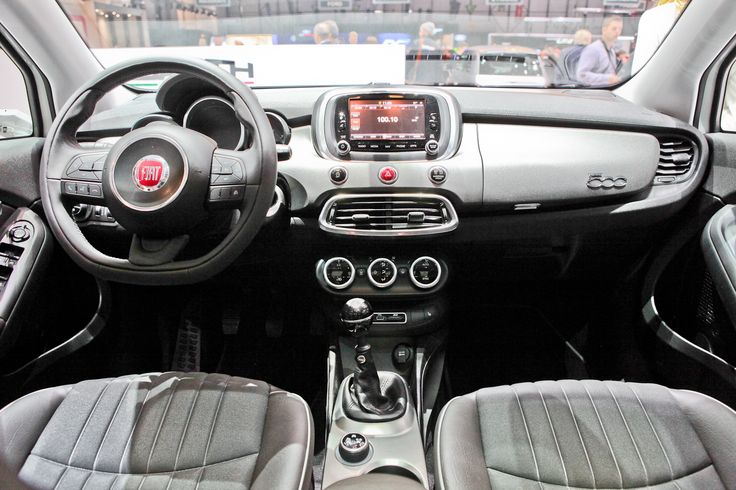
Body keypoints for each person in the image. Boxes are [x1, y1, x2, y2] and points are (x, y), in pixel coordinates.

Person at [576, 16, 624, 86]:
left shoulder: (612, 52)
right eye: (614, 29)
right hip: (594, 94)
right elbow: (581, 75)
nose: (618, 32)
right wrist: (607, 79)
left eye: (620, 29)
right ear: (604, 30)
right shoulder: (593, 49)